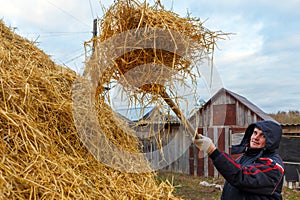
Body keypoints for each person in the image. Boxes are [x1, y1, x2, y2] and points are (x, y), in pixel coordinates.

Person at [193, 120, 285, 199]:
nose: (256, 138)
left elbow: (241, 177)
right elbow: (232, 178)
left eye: (263, 136)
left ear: (271, 141)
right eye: (255, 133)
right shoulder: (244, 158)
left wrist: (212, 151)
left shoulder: (274, 166)